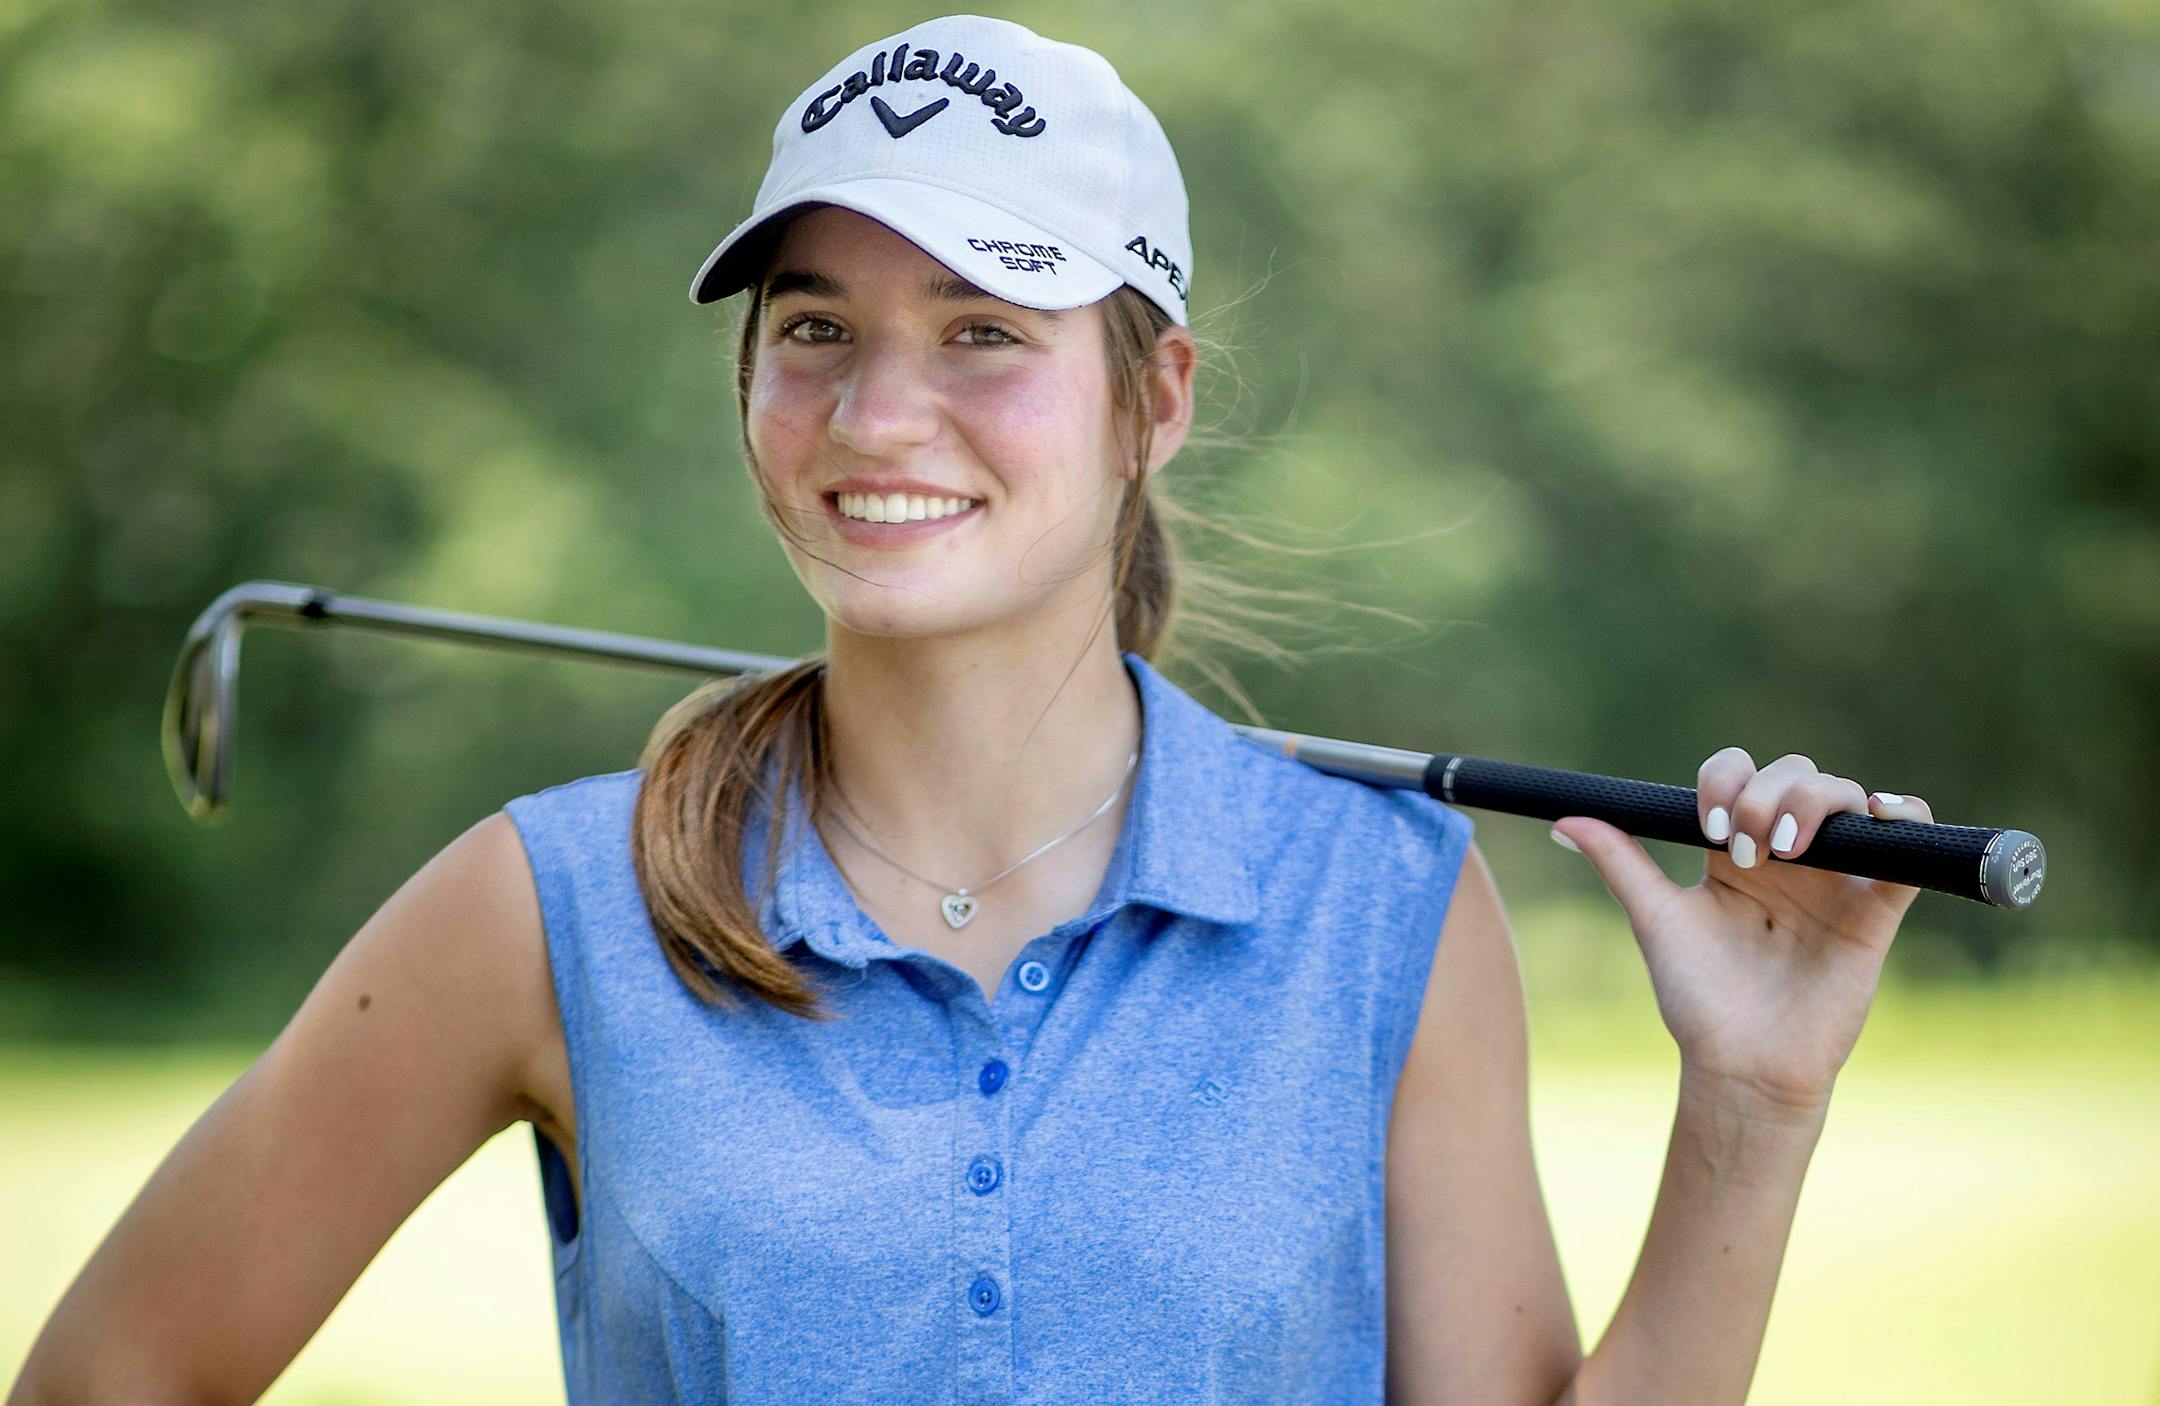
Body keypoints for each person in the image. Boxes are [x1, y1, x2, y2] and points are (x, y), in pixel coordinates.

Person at [7, 14, 1934, 1406]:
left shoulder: (1388, 909)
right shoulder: (555, 903)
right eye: (816, 327)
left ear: (1150, 397)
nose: (874, 415)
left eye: (984, 331)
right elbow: (115, 1372)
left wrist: (1752, 1111)